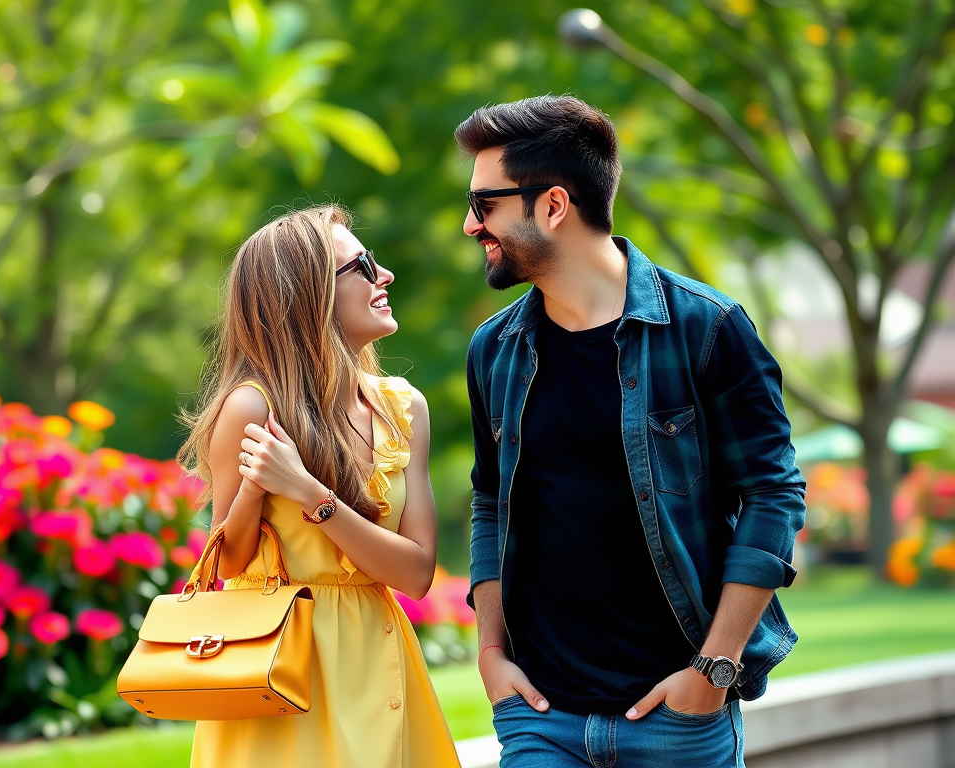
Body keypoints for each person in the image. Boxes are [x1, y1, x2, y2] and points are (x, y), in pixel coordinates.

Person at [457, 95, 805, 767]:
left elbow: (773, 496)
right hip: (541, 720)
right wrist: (491, 654)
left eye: (484, 206)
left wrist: (716, 667)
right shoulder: (493, 349)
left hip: (679, 723)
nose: (471, 226)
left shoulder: (708, 329)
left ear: (553, 205)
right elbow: (489, 503)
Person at [177, 205, 461, 768]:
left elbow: (415, 574)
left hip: (378, 661)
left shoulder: (404, 408)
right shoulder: (252, 406)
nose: (384, 277)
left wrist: (309, 494)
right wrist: (256, 492)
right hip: (282, 671)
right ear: (308, 296)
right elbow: (228, 565)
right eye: (363, 265)